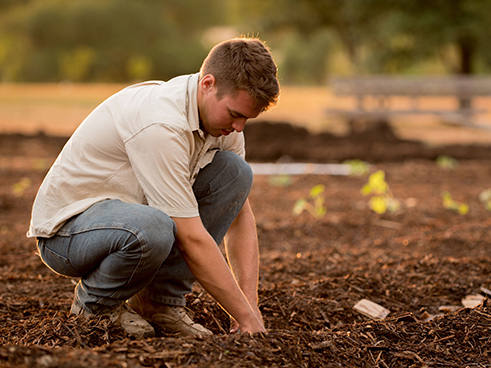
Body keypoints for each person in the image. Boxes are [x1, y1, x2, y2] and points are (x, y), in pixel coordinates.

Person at [27, 37, 280, 339]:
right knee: (155, 228)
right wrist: (242, 315)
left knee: (235, 173)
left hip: (129, 219)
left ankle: (159, 303)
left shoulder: (223, 126)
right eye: (235, 114)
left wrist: (250, 307)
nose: (239, 127)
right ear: (208, 84)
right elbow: (191, 239)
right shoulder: (161, 124)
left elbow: (239, 216)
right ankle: (96, 306)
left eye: (246, 119)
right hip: (67, 233)